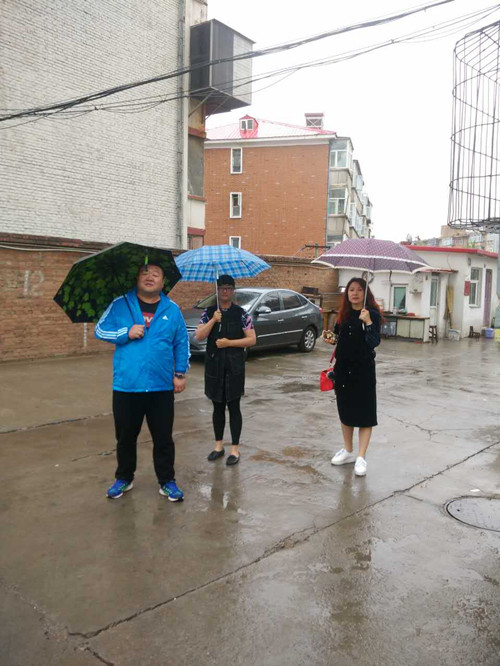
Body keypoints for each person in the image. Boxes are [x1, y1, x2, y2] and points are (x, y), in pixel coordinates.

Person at [95, 264, 189, 500]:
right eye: (144, 273)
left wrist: (179, 373)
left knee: (163, 438)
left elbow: (181, 342)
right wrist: (125, 333)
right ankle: (124, 478)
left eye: (155, 274)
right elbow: (100, 330)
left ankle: (167, 481)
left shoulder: (172, 309)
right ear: (136, 278)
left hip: (161, 386)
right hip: (127, 385)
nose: (150, 277)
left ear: (163, 282)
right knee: (125, 437)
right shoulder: (120, 304)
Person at [195, 275, 256, 466]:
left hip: (234, 367)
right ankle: (218, 446)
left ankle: (235, 449)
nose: (225, 291)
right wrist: (213, 320)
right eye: (222, 288)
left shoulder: (242, 314)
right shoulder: (209, 312)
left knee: (234, 407)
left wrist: (230, 343)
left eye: (229, 288)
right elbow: (199, 336)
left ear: (233, 291)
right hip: (214, 366)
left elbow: (252, 339)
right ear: (217, 290)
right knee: (218, 407)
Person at [325, 277, 382, 477]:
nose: (355, 293)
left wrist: (368, 322)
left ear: (365, 293)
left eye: (359, 289)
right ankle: (348, 450)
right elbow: (339, 339)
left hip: (363, 371)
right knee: (346, 411)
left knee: (365, 415)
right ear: (347, 293)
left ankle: (361, 457)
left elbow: (374, 342)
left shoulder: (372, 314)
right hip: (343, 370)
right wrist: (331, 338)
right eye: (351, 289)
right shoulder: (344, 314)